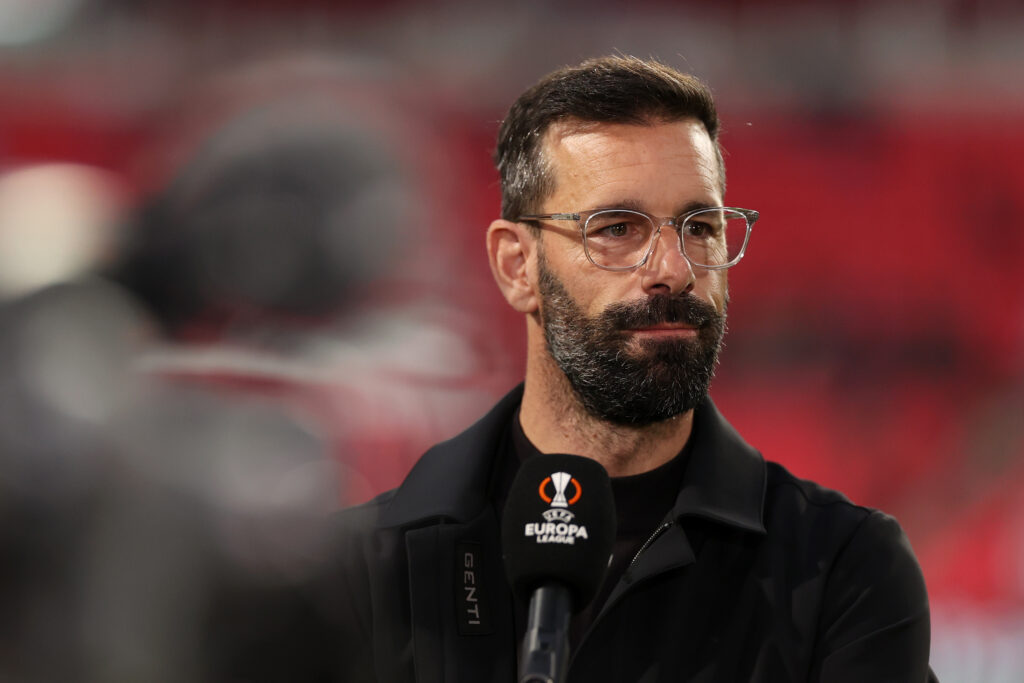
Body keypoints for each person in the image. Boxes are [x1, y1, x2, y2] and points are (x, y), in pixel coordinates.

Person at [332, 56, 937, 682]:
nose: (674, 269)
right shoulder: (354, 572)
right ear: (517, 265)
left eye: (700, 227)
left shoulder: (845, 567)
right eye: (617, 228)